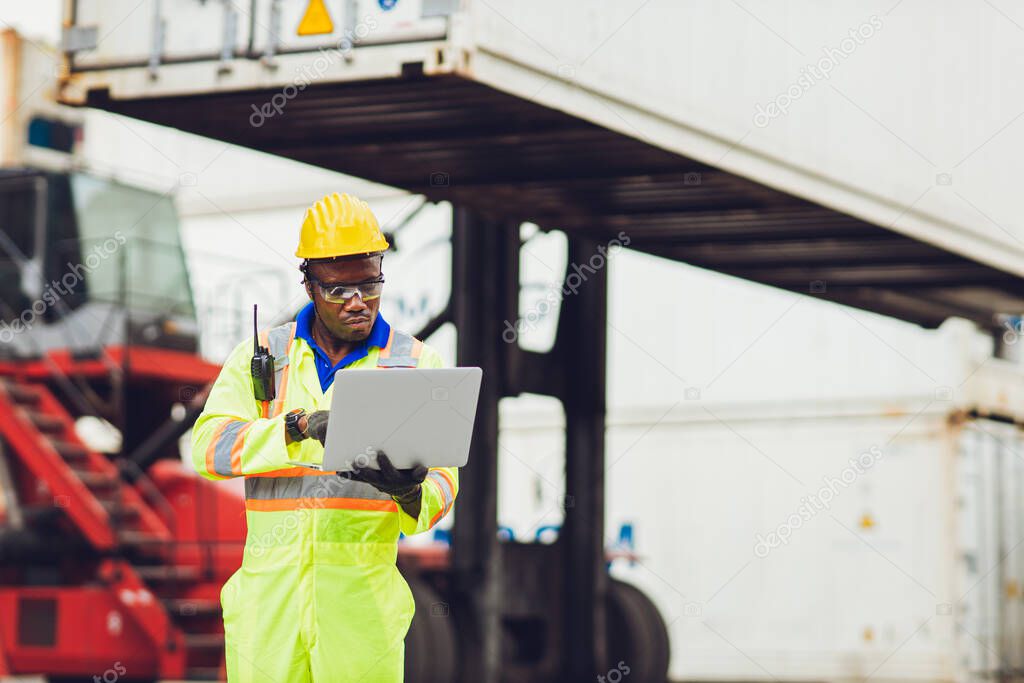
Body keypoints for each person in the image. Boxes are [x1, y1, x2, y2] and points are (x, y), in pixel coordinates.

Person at [191, 192, 458, 682]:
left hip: (360, 614)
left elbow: (443, 485)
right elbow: (208, 449)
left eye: (369, 284)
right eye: (339, 290)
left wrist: (409, 491)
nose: (358, 302)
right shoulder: (265, 358)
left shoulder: (417, 364)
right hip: (268, 613)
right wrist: (294, 428)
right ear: (310, 285)